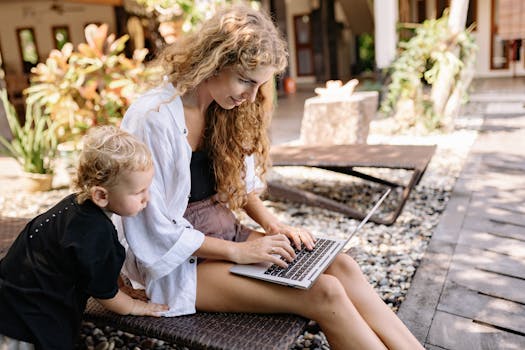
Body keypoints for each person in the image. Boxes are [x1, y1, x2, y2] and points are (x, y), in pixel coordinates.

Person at [116, 3, 424, 350]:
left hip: (223, 234)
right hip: (177, 263)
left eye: (258, 85)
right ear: (215, 60)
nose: (249, 98)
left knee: (342, 266)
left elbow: (239, 187)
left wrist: (274, 226)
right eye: (245, 81)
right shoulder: (153, 118)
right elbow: (151, 230)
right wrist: (239, 252)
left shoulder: (222, 108)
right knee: (325, 292)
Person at [0, 126, 168, 349]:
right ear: (101, 195)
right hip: (27, 319)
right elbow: (106, 297)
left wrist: (120, 285)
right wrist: (136, 307)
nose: (147, 199)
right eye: (138, 192)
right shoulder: (95, 232)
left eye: (148, 189)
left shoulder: (76, 205)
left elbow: (93, 263)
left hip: (11, 295)